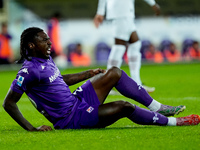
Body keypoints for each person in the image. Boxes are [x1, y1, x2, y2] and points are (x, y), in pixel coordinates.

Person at [3, 27, 199, 131]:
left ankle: (157, 106)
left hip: (77, 100)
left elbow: (58, 80)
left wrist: (87, 74)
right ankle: (174, 122)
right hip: (71, 118)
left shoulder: (46, 58)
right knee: (124, 106)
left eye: (48, 38)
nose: (49, 42)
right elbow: (8, 103)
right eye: (44, 40)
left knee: (114, 72)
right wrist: (32, 129)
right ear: (30, 45)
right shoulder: (28, 72)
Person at [93, 0, 161, 93]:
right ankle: (107, 84)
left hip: (123, 12)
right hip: (121, 12)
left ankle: (136, 82)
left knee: (134, 44)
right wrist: (153, 4)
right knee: (119, 47)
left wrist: (100, 12)